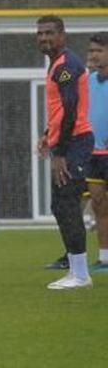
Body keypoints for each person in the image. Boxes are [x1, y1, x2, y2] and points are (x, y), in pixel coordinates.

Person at [35, 15, 94, 289]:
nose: (44, 38)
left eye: (49, 33)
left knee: (68, 204)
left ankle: (80, 274)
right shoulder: (56, 65)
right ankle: (75, 269)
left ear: (62, 36)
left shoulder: (67, 65)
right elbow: (60, 111)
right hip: (67, 142)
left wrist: (60, 152)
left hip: (76, 143)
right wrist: (48, 136)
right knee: (61, 205)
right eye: (41, 33)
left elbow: (71, 109)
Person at [85, 32, 108, 272]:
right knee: (99, 205)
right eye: (91, 51)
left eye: (98, 51)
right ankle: (104, 258)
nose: (93, 55)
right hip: (94, 154)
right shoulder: (87, 81)